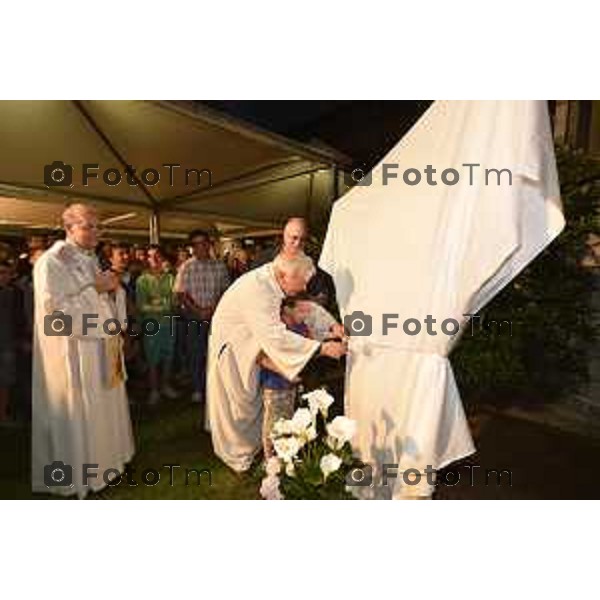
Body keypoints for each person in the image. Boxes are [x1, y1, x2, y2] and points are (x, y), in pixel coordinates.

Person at [206, 252, 347, 472]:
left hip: (255, 350)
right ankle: (237, 456)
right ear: (284, 276)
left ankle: (258, 450)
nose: (303, 288)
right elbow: (276, 338)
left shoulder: (278, 284)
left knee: (257, 408)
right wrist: (322, 348)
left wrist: (332, 326)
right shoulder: (257, 291)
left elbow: (307, 309)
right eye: (301, 283)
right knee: (236, 409)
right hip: (235, 350)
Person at [31, 203, 134, 498]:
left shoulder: (88, 258)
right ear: (69, 228)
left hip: (101, 345)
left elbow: (101, 296)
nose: (96, 233)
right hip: (74, 353)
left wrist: (114, 294)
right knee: (83, 411)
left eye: (98, 226)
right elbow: (54, 316)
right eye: (89, 226)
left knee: (103, 406)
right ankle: (83, 473)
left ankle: (107, 464)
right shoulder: (51, 262)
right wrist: (97, 290)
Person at [174, 230, 230, 403]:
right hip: (193, 317)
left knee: (215, 354)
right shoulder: (186, 267)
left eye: (203, 243)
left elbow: (224, 290)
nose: (201, 247)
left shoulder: (219, 266)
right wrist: (198, 310)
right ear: (192, 248)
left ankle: (215, 388)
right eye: (196, 244)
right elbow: (181, 293)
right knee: (195, 353)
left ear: (209, 244)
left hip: (216, 317)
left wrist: (212, 309)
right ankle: (198, 388)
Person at [258, 294, 314, 458]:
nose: (306, 315)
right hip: (275, 385)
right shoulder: (276, 330)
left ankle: (286, 457)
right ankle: (271, 463)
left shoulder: (301, 327)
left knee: (289, 421)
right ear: (287, 309)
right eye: (302, 310)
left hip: (292, 385)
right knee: (274, 425)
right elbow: (261, 358)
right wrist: (287, 372)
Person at [136, 245, 178, 405]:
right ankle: (154, 390)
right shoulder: (142, 280)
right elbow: (141, 305)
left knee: (168, 356)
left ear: (162, 258)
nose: (153, 260)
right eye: (150, 256)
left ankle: (165, 385)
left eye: (156, 256)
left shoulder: (170, 278)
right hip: (151, 324)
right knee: (152, 359)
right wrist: (164, 305)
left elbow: (174, 302)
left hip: (169, 323)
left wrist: (157, 303)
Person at [0, 261, 19, 422]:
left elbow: (18, 319)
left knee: (5, 381)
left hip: (8, 342)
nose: (2, 277)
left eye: (5, 273)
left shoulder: (14, 293)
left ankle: (3, 412)